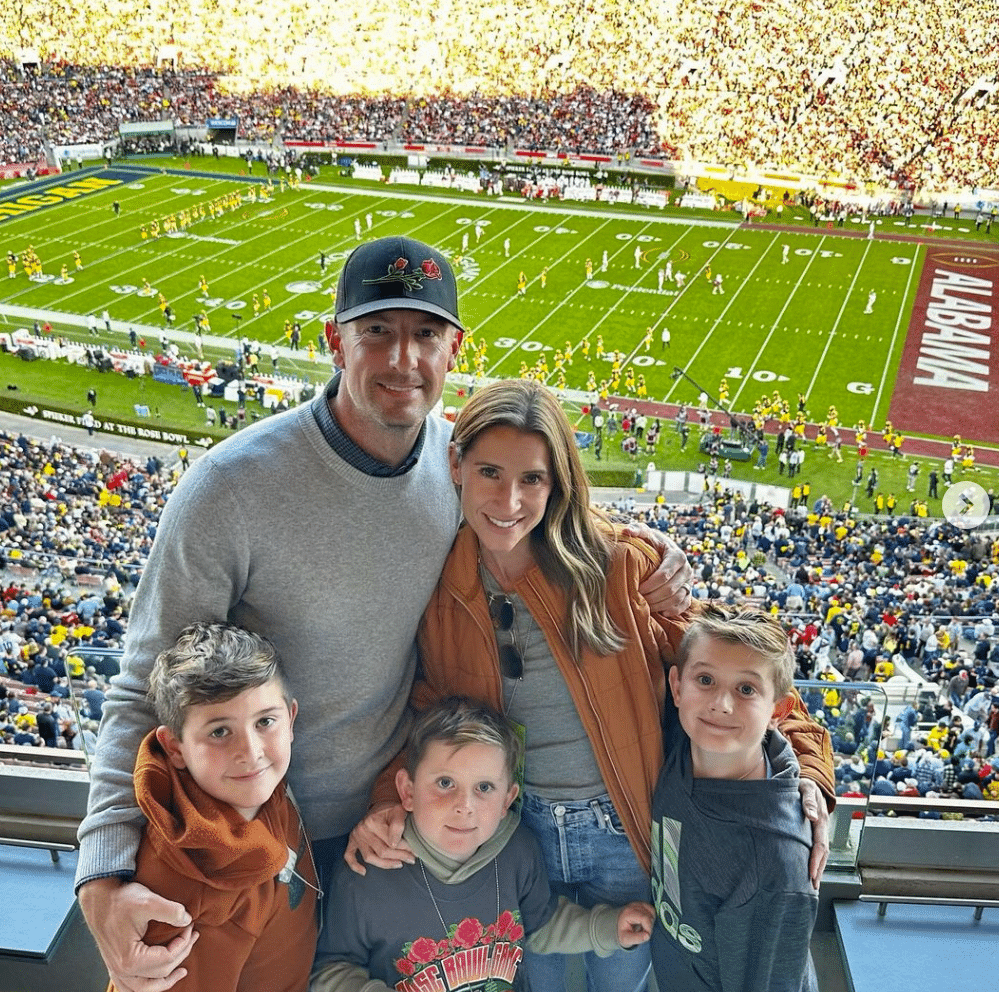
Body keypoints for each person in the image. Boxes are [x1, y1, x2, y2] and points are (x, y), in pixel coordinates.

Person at [75, 236, 692, 992]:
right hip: (252, 833)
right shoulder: (228, 487)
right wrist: (101, 871)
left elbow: (543, 515)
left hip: (396, 829)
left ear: (454, 349)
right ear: (334, 340)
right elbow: (146, 681)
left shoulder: (460, 469)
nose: (403, 359)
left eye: (425, 334)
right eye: (378, 332)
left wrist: (649, 552)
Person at [350, 380, 832, 992]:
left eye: (532, 479)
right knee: (538, 980)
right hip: (517, 834)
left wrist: (811, 773)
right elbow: (428, 715)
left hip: (626, 831)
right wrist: (386, 801)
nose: (508, 500)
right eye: (490, 472)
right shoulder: (440, 589)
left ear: (557, 484)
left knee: (623, 980)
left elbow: (736, 675)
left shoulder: (623, 567)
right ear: (456, 465)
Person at [312, 697, 654, 992]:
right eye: (445, 783)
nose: (465, 805)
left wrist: (608, 928)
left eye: (484, 788)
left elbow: (541, 924)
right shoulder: (367, 871)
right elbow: (330, 972)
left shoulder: (518, 850)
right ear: (407, 791)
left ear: (508, 801)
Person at [123, 622, 318, 992]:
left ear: (290, 719)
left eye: (265, 722)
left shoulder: (261, 789)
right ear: (176, 748)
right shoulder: (180, 893)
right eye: (219, 731)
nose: (251, 752)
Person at [652, 606, 819, 992]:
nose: (721, 705)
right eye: (706, 680)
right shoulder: (682, 742)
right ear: (677, 688)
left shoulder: (774, 862)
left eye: (746, 689)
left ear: (778, 710)